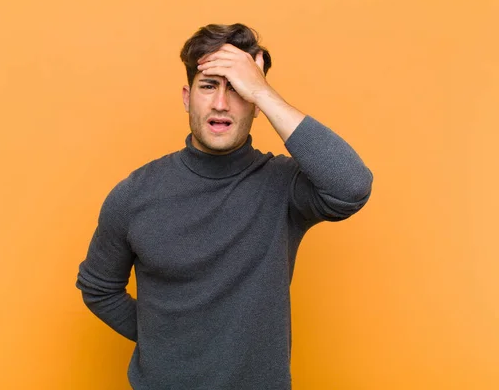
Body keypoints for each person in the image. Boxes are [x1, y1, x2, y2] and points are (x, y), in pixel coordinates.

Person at [76, 23, 373, 390]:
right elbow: (98, 288)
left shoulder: (283, 187)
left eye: (237, 89)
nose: (221, 103)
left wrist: (264, 92)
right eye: (208, 86)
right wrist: (165, 338)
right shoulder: (134, 194)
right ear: (187, 97)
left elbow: (352, 186)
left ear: (256, 103)